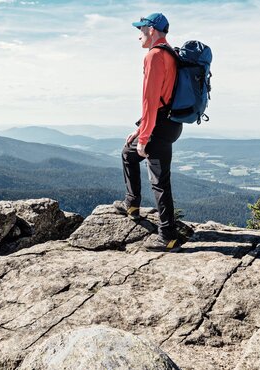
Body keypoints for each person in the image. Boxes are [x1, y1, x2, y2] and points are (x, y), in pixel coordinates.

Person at [113, 12, 182, 250]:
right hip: (171, 123)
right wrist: (140, 128)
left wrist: (144, 136)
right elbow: (163, 99)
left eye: (141, 30)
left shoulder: (154, 56)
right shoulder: (171, 54)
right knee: (128, 153)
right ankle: (131, 204)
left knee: (159, 181)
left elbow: (150, 100)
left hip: (158, 125)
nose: (138, 35)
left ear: (151, 30)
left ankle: (168, 236)